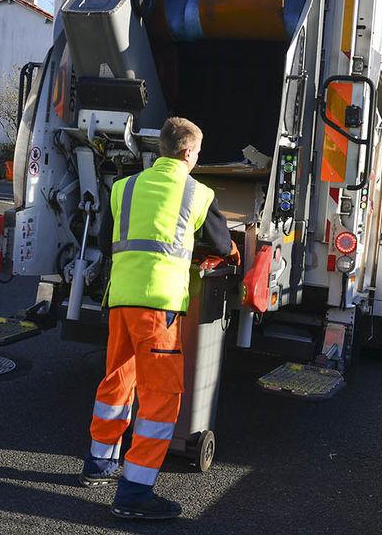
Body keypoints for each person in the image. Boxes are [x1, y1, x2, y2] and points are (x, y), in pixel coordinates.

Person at [80, 117, 240, 521]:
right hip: (160, 305)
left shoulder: (124, 187)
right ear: (188, 153)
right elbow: (221, 243)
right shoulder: (198, 193)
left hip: (120, 299)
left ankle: (99, 463)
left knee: (118, 378)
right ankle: (134, 492)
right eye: (198, 153)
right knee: (161, 397)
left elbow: (106, 240)